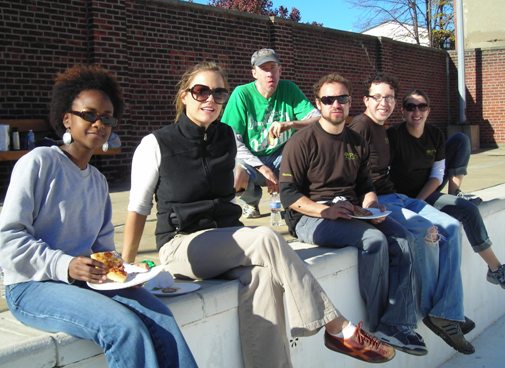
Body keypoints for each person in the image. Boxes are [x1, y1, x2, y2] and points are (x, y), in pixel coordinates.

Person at [122, 61, 396, 367]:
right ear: (184, 96)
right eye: (201, 92)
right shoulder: (156, 143)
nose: (210, 99)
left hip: (225, 241)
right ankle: (337, 327)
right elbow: (138, 209)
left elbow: (232, 177)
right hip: (181, 244)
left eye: (218, 93)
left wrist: (239, 179)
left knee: (264, 279)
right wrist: (125, 268)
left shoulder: (226, 137)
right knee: (265, 236)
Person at [0, 65, 196, 368]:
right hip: (31, 285)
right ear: (67, 118)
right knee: (124, 328)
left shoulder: (96, 181)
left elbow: (102, 250)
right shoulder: (39, 162)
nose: (99, 123)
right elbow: (9, 239)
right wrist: (66, 265)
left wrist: (123, 272)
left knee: (161, 315)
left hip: (82, 283)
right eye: (89, 114)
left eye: (106, 117)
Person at [279, 72, 426, 356]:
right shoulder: (301, 142)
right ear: (318, 104)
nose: (336, 104)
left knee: (404, 238)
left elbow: (365, 186)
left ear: (349, 102)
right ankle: (374, 324)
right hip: (311, 218)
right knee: (373, 240)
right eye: (328, 99)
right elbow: (289, 196)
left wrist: (371, 208)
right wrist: (326, 211)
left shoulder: (356, 142)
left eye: (342, 99)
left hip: (350, 212)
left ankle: (396, 323)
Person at [349, 73, 475, 355]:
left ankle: (447, 309)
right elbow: (348, 172)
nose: (384, 103)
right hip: (379, 200)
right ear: (366, 100)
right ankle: (435, 310)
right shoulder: (361, 127)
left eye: (389, 97)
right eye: (378, 97)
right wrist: (364, 204)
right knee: (425, 232)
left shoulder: (383, 129)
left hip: (398, 196)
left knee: (452, 227)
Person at [387, 89, 505, 291]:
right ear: (402, 111)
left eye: (422, 107)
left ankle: (496, 269)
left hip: (426, 192)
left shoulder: (435, 135)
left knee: (461, 140)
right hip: (401, 198)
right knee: (468, 211)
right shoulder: (393, 136)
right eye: (410, 107)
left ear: (428, 110)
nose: (416, 112)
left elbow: (437, 175)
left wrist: (421, 201)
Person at [221, 48, 320, 218]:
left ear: (280, 70)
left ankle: (298, 200)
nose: (269, 74)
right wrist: (262, 167)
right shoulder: (242, 94)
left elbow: (318, 120)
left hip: (282, 157)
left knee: (313, 151)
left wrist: (291, 124)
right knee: (234, 175)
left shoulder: (289, 89)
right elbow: (231, 140)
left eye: (273, 67)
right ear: (254, 73)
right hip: (252, 159)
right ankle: (251, 202)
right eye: (264, 69)